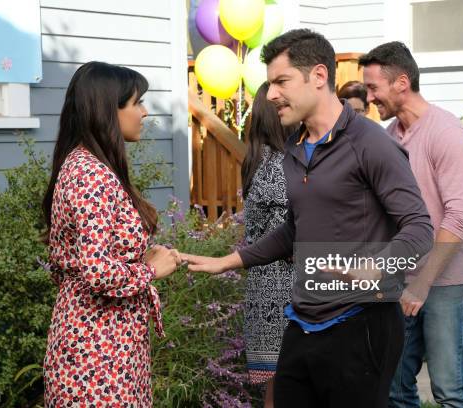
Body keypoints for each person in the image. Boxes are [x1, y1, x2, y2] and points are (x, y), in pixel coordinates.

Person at [183, 29, 433, 408]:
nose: (270, 95)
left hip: (362, 323)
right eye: (269, 84)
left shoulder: (371, 143)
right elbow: (295, 230)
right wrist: (228, 262)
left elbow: (419, 227)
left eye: (281, 81)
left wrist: (379, 267)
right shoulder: (294, 148)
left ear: (318, 76)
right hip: (303, 321)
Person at [41, 61, 181, 407]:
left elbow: (81, 261)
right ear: (108, 110)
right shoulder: (92, 175)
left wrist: (138, 259)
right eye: (136, 103)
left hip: (107, 343)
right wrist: (151, 270)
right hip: (97, 352)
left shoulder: (87, 165)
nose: (145, 112)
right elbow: (97, 271)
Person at [359, 42, 463, 408]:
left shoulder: (447, 134)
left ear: (401, 83)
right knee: (395, 386)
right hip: (402, 279)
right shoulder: (388, 138)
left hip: (448, 280)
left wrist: (423, 283)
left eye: (373, 87)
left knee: (449, 392)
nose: (369, 97)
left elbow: (460, 216)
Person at [241, 82, 296, 407]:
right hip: (280, 284)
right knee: (284, 383)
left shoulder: (258, 157)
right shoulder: (277, 164)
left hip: (266, 281)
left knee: (277, 384)